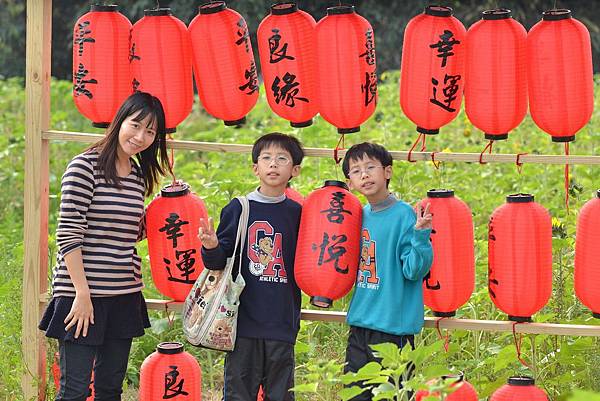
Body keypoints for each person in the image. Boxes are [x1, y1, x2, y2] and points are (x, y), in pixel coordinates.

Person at [39, 92, 170, 400]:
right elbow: (69, 235)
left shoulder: (137, 175)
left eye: (151, 131)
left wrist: (169, 212)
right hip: (82, 296)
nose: (141, 137)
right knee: (74, 391)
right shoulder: (84, 167)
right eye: (135, 125)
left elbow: (125, 233)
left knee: (111, 390)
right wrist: (82, 294)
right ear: (119, 121)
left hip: (124, 294)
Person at [199, 132, 304, 401]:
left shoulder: (297, 213)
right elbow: (217, 263)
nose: (273, 164)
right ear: (255, 168)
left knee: (281, 394)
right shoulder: (239, 208)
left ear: (295, 170)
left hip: (282, 321)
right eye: (266, 158)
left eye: (282, 159)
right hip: (241, 323)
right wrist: (211, 245)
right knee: (238, 394)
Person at [341, 142, 434, 400]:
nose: (365, 175)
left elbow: (414, 271)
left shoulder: (405, 215)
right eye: (356, 171)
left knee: (395, 396)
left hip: (394, 328)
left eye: (371, 167)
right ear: (350, 183)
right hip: (360, 324)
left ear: (388, 172)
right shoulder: (356, 216)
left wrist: (421, 235)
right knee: (355, 395)